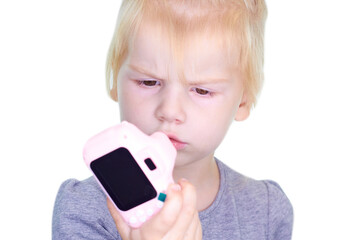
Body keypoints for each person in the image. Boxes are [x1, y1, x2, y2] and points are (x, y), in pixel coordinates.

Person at [52, 0, 293, 239]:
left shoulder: (267, 211)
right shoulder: (84, 208)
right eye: (148, 82)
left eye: (201, 91)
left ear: (243, 101)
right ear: (115, 80)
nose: (170, 110)